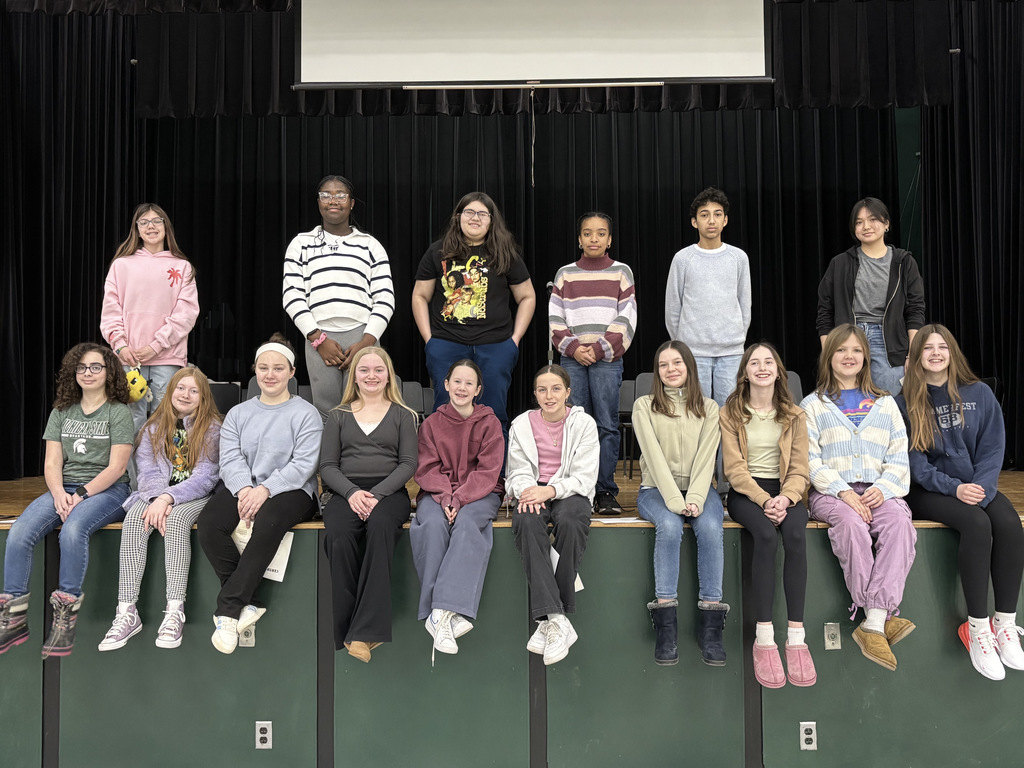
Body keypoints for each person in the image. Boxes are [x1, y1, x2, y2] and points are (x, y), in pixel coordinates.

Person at [896, 324, 1024, 680]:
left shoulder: (979, 392)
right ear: (916, 356)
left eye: (943, 347)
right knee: (977, 524)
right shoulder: (904, 401)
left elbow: (993, 447)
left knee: (1010, 525)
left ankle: (1006, 624)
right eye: (928, 348)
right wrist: (954, 489)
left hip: (975, 485)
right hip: (929, 490)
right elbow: (914, 463)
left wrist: (979, 487)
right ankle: (977, 627)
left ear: (952, 352)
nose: (936, 353)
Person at [0, 343, 132, 658]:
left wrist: (80, 495)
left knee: (73, 530)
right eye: (82, 367)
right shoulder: (62, 410)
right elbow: (51, 463)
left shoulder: (119, 412)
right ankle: (14, 616)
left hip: (108, 490)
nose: (88, 373)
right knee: (20, 532)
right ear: (74, 373)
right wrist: (60, 494)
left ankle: (65, 616)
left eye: (96, 367)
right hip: (65, 486)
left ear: (109, 372)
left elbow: (117, 467)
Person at [801, 324, 916, 672]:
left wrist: (884, 487)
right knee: (850, 524)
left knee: (899, 522)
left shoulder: (885, 403)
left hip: (881, 490)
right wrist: (843, 491)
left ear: (865, 356)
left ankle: (873, 623)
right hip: (831, 492)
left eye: (855, 350)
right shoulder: (813, 405)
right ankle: (878, 617)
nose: (849, 356)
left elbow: (899, 456)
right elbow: (809, 460)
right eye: (841, 350)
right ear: (828, 357)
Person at [197, 335, 321, 654]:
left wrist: (266, 489)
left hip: (292, 490)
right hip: (244, 486)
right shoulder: (239, 413)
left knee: (268, 519)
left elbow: (305, 464)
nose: (270, 374)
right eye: (263, 368)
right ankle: (249, 602)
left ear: (292, 372)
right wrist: (245, 489)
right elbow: (230, 458)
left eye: (278, 368)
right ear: (254, 370)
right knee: (210, 523)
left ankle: (227, 610)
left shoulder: (306, 414)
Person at [98, 367, 223, 651]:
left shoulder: (213, 428)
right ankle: (127, 611)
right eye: (181, 388)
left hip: (193, 494)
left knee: (177, 521)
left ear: (203, 398)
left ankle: (175, 609)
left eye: (194, 391)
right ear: (170, 391)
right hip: (155, 494)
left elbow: (206, 477)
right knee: (134, 518)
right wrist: (156, 498)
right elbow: (148, 472)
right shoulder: (153, 427)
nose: (186, 395)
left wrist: (168, 498)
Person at [720, 343, 814, 688]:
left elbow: (801, 468)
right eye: (754, 363)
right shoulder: (730, 412)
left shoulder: (795, 414)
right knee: (764, 535)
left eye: (768, 362)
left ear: (779, 370)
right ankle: (763, 636)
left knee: (795, 536)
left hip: (786, 490)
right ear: (745, 371)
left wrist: (786, 498)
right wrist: (765, 500)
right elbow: (734, 469)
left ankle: (796, 637)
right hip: (748, 493)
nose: (762, 368)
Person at [633, 341, 729, 666]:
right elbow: (654, 458)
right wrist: (675, 500)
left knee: (713, 528)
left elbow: (707, 458)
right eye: (663, 365)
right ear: (657, 371)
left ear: (689, 366)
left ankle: (711, 628)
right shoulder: (644, 406)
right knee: (671, 527)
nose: (671, 369)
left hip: (701, 491)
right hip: (655, 491)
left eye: (677, 363)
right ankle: (666, 627)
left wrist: (698, 498)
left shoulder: (710, 407)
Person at [320, 346, 418, 663]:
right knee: (337, 533)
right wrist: (351, 493)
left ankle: (366, 632)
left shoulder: (405, 415)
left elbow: (408, 464)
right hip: (345, 492)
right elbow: (328, 467)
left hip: (388, 494)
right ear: (354, 376)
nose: (371, 376)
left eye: (378, 370)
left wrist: (376, 494)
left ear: (388, 374)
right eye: (364, 370)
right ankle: (349, 628)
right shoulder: (338, 416)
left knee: (379, 527)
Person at [412, 192, 536, 435]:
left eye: (482, 213)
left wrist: (514, 340)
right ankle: (445, 472)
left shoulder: (505, 253)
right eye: (469, 212)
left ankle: (493, 472)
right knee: (445, 411)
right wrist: (430, 340)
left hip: (496, 345)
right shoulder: (438, 252)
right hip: (446, 342)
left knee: (493, 412)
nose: (475, 218)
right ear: (458, 217)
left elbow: (527, 296)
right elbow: (419, 295)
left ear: (491, 220)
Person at [410, 360, 504, 657]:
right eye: (457, 382)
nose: (462, 388)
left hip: (480, 493)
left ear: (478, 390)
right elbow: (426, 468)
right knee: (433, 525)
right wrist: (446, 495)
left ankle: (439, 611)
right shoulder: (431, 424)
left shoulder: (490, 423)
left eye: (469, 383)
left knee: (466, 525)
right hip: (437, 492)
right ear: (446, 384)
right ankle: (445, 615)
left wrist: (461, 498)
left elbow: (489, 472)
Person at [283, 174, 395, 419]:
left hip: (363, 335)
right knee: (326, 411)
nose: (333, 200)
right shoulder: (301, 243)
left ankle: (362, 458)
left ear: (351, 203)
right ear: (318, 202)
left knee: (365, 407)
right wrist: (317, 339)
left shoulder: (370, 245)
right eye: (325, 195)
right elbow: (292, 295)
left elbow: (385, 298)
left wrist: (366, 343)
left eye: (341, 195)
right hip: (319, 338)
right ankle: (329, 459)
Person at [507, 365, 598, 666]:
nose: (549, 396)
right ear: (534, 393)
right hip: (533, 489)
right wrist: (527, 489)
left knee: (571, 520)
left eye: (556, 388)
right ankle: (557, 618)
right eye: (542, 389)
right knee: (525, 520)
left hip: (569, 491)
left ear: (568, 392)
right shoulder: (521, 424)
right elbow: (516, 471)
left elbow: (585, 477)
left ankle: (548, 619)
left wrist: (551, 490)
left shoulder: (583, 423)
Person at [549, 212, 637, 516]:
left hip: (607, 362)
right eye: (588, 233)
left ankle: (604, 492)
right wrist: (574, 348)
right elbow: (555, 319)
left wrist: (598, 350)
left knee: (606, 426)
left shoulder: (621, 273)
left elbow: (627, 318)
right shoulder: (565, 274)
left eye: (601, 234)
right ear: (579, 239)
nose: (594, 239)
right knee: (572, 425)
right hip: (571, 361)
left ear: (609, 239)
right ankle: (576, 489)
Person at [101, 203, 200, 434]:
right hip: (128, 356)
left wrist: (155, 346)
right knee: (128, 420)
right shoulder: (121, 265)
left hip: (167, 356)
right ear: (136, 228)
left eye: (157, 221)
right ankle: (128, 471)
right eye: (144, 222)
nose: (151, 226)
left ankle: (160, 471)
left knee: (166, 417)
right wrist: (121, 346)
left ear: (166, 227)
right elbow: (110, 311)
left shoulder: (182, 266)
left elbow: (186, 314)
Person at [816, 197, 926, 395]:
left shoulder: (904, 262)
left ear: (886, 224)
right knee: (847, 402)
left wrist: (912, 353)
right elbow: (825, 311)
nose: (866, 226)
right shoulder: (840, 263)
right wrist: (829, 351)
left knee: (887, 404)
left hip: (888, 342)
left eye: (873, 219)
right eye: (859, 222)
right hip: (848, 337)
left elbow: (915, 310)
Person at [664, 187, 751, 407]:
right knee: (696, 413)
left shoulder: (738, 257)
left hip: (731, 351)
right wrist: (683, 343)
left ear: (725, 220)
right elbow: (673, 307)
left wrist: (737, 335)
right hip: (693, 352)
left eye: (717, 214)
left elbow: (744, 302)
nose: (711, 220)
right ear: (695, 222)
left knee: (729, 414)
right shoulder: (683, 258)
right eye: (704, 215)